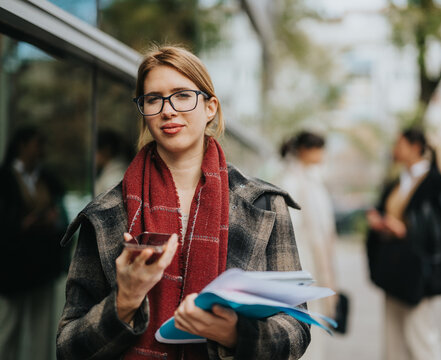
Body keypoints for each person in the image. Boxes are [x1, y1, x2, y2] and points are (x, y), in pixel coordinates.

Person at [56, 45, 310, 360]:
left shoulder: (264, 205)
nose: (168, 110)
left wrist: (235, 333)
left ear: (210, 108)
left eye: (182, 95)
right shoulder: (106, 214)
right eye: (153, 99)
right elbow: (68, 348)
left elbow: (298, 327)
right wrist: (124, 302)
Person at [366, 128, 441, 360]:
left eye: (399, 144)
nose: (395, 149)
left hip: (419, 269)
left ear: (414, 147)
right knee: (393, 337)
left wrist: (405, 230)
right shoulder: (396, 182)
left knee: (420, 333)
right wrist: (380, 222)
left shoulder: (437, 183)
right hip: (393, 267)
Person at [0, 126, 68, 360]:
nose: (41, 150)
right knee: (7, 329)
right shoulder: (5, 178)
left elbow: (62, 215)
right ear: (22, 145)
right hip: (12, 266)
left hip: (42, 264)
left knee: (42, 330)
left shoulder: (47, 179)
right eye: (37, 144)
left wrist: (52, 219)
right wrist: (20, 224)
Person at [279, 131, 337, 360]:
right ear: (304, 150)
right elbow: (289, 229)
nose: (322, 154)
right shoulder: (290, 181)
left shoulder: (313, 179)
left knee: (315, 324)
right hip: (300, 265)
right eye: (318, 148)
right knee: (304, 325)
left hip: (315, 265)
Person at [94, 129, 131, 196]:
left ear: (106, 150)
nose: (93, 155)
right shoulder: (111, 173)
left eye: (95, 150)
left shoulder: (114, 178)